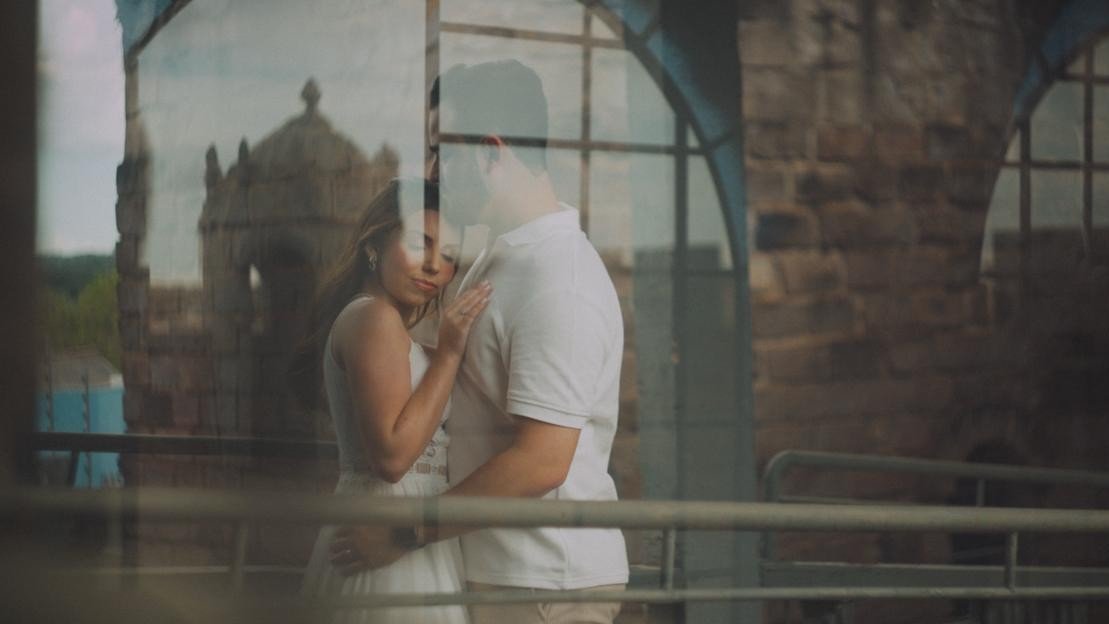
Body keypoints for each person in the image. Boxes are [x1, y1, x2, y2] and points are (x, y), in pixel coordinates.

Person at [331, 60, 629, 624]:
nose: (432, 171)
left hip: (544, 584)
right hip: (498, 572)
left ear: (491, 152)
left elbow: (543, 461)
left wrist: (403, 531)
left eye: (441, 151)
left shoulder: (557, 278)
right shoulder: (501, 256)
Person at [293, 178, 490, 624]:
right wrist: (450, 354)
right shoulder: (373, 317)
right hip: (383, 532)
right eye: (420, 243)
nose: (434, 266)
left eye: (450, 256)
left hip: (399, 531)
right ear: (374, 244)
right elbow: (392, 457)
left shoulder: (380, 323)